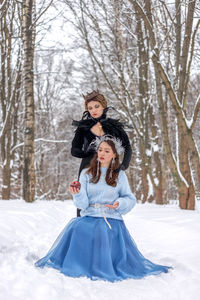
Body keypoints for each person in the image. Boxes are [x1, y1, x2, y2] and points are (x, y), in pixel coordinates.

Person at [35, 136, 172, 282]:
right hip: (89, 215)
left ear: (114, 155)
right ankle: (79, 264)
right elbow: (82, 205)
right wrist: (78, 193)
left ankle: (105, 265)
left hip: (111, 217)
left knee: (103, 230)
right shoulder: (86, 173)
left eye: (107, 151)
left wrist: (119, 203)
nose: (102, 153)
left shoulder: (120, 175)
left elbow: (130, 199)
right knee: (77, 227)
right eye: (100, 150)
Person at [71, 89, 132, 217]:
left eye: (97, 106)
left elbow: (127, 147)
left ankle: (108, 228)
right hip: (88, 168)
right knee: (83, 203)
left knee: (109, 201)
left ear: (103, 106)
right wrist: (89, 153)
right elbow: (74, 150)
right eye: (90, 108)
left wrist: (123, 166)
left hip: (109, 168)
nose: (94, 110)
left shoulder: (114, 127)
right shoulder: (83, 127)